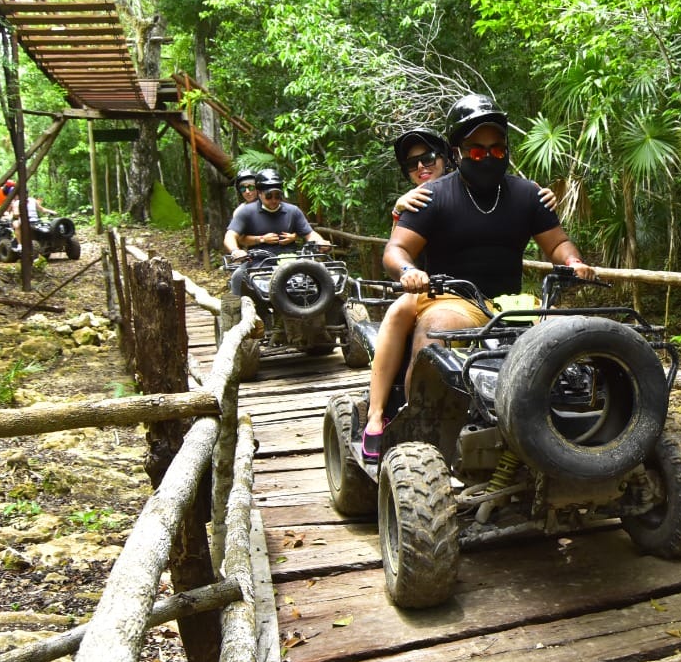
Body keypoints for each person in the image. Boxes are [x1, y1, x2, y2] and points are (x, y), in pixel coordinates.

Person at [362, 95, 591, 460]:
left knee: (571, 337)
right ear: (457, 152)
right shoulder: (430, 197)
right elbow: (396, 249)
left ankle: (571, 428)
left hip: (510, 303)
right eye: (478, 151)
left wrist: (573, 261)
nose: (488, 158)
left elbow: (557, 242)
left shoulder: (528, 194)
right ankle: (416, 429)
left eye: (497, 150)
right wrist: (409, 271)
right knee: (435, 327)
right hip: (449, 296)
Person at [223, 168, 331, 296]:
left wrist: (320, 242)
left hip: (293, 261)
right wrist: (235, 251)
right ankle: (235, 312)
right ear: (259, 193)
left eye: (277, 196)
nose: (274, 200)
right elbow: (230, 236)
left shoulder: (293, 211)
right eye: (269, 196)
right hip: (258, 262)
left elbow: (309, 233)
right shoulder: (246, 212)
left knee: (327, 276)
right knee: (238, 276)